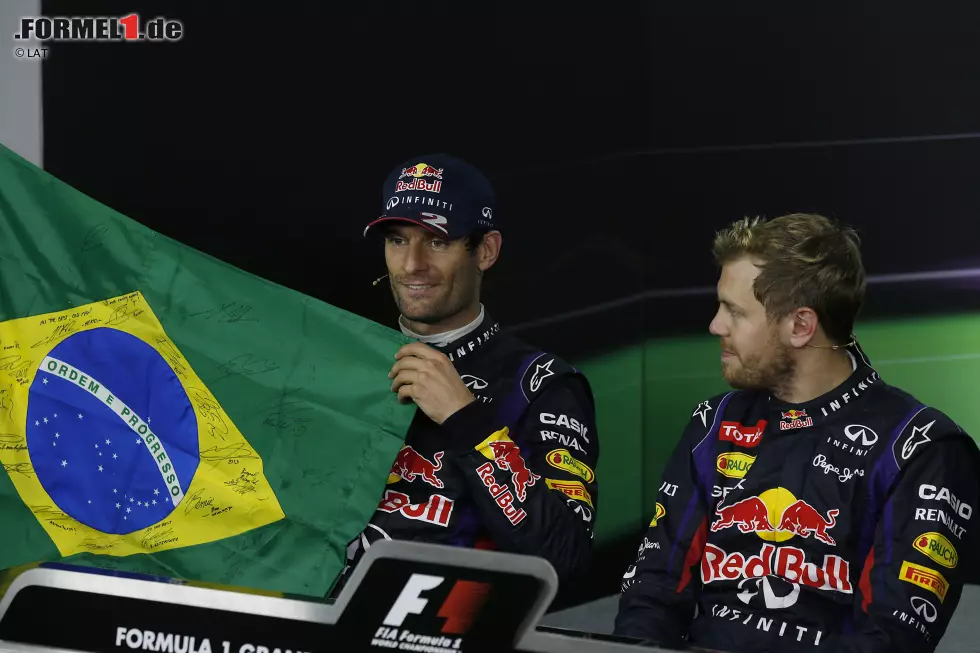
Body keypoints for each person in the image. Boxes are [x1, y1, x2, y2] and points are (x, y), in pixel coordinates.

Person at [614, 213, 979, 652]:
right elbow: (652, 592)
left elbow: (885, 639)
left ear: (801, 326)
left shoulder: (921, 448)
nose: (715, 326)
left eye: (735, 311)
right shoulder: (715, 423)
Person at [330, 154, 599, 598]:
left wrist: (466, 421)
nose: (412, 263)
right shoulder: (339, 363)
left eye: (436, 241)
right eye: (398, 240)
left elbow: (564, 555)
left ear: (486, 251)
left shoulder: (542, 384)